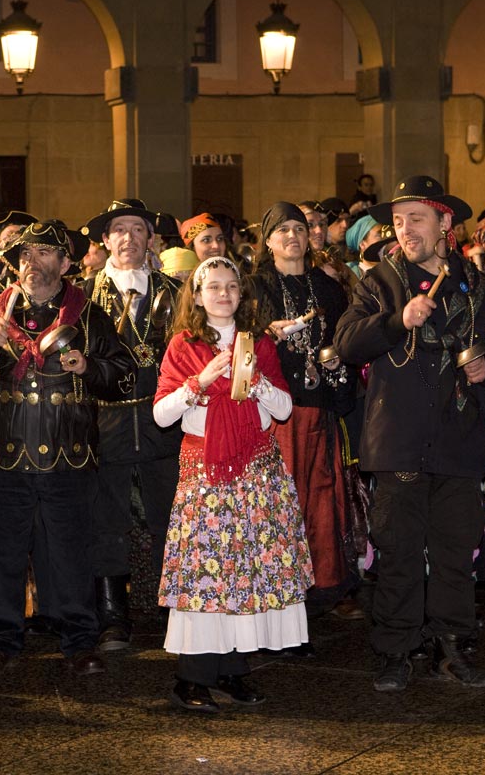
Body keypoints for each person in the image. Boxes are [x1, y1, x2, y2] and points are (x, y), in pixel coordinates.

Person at [334, 176, 485, 692]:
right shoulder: (379, 282)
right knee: (397, 550)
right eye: (397, 220)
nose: (404, 228)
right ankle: (396, 651)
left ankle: (452, 648)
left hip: (460, 435)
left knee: (453, 552)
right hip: (398, 435)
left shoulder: (478, 286)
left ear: (445, 223)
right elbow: (348, 343)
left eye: (416, 218)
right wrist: (398, 319)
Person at [0, 220, 136, 676]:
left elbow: (125, 376)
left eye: (45, 253)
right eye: (26, 255)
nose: (33, 263)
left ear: (66, 263)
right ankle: (1, 639)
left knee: (72, 553)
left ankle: (79, 640)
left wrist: (88, 366)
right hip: (6, 458)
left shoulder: (89, 316)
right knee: (6, 552)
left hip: (69, 457)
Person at [154, 255, 311, 712]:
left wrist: (257, 382)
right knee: (207, 573)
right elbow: (162, 414)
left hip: (255, 469)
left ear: (242, 295)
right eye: (214, 287)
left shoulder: (258, 343)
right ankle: (192, 678)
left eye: (231, 287)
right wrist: (199, 382)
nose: (224, 294)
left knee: (246, 570)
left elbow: (282, 409)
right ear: (198, 297)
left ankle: (234, 669)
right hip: (205, 471)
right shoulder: (183, 345)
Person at [251, 202, 361, 625]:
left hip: (318, 408)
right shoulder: (256, 286)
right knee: (280, 501)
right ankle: (275, 592)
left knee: (319, 499)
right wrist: (266, 334)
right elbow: (237, 339)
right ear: (268, 240)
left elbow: (341, 341)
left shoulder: (327, 288)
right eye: (283, 230)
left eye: (300, 228)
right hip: (273, 411)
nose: (293, 236)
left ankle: (318, 590)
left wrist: (337, 366)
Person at [80, 200, 183, 650]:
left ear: (150, 239)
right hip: (107, 424)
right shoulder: (82, 295)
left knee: (170, 518)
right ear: (105, 241)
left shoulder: (176, 292)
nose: (127, 239)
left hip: (164, 423)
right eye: (118, 230)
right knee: (108, 520)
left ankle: (173, 611)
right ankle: (112, 616)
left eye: (136, 230)